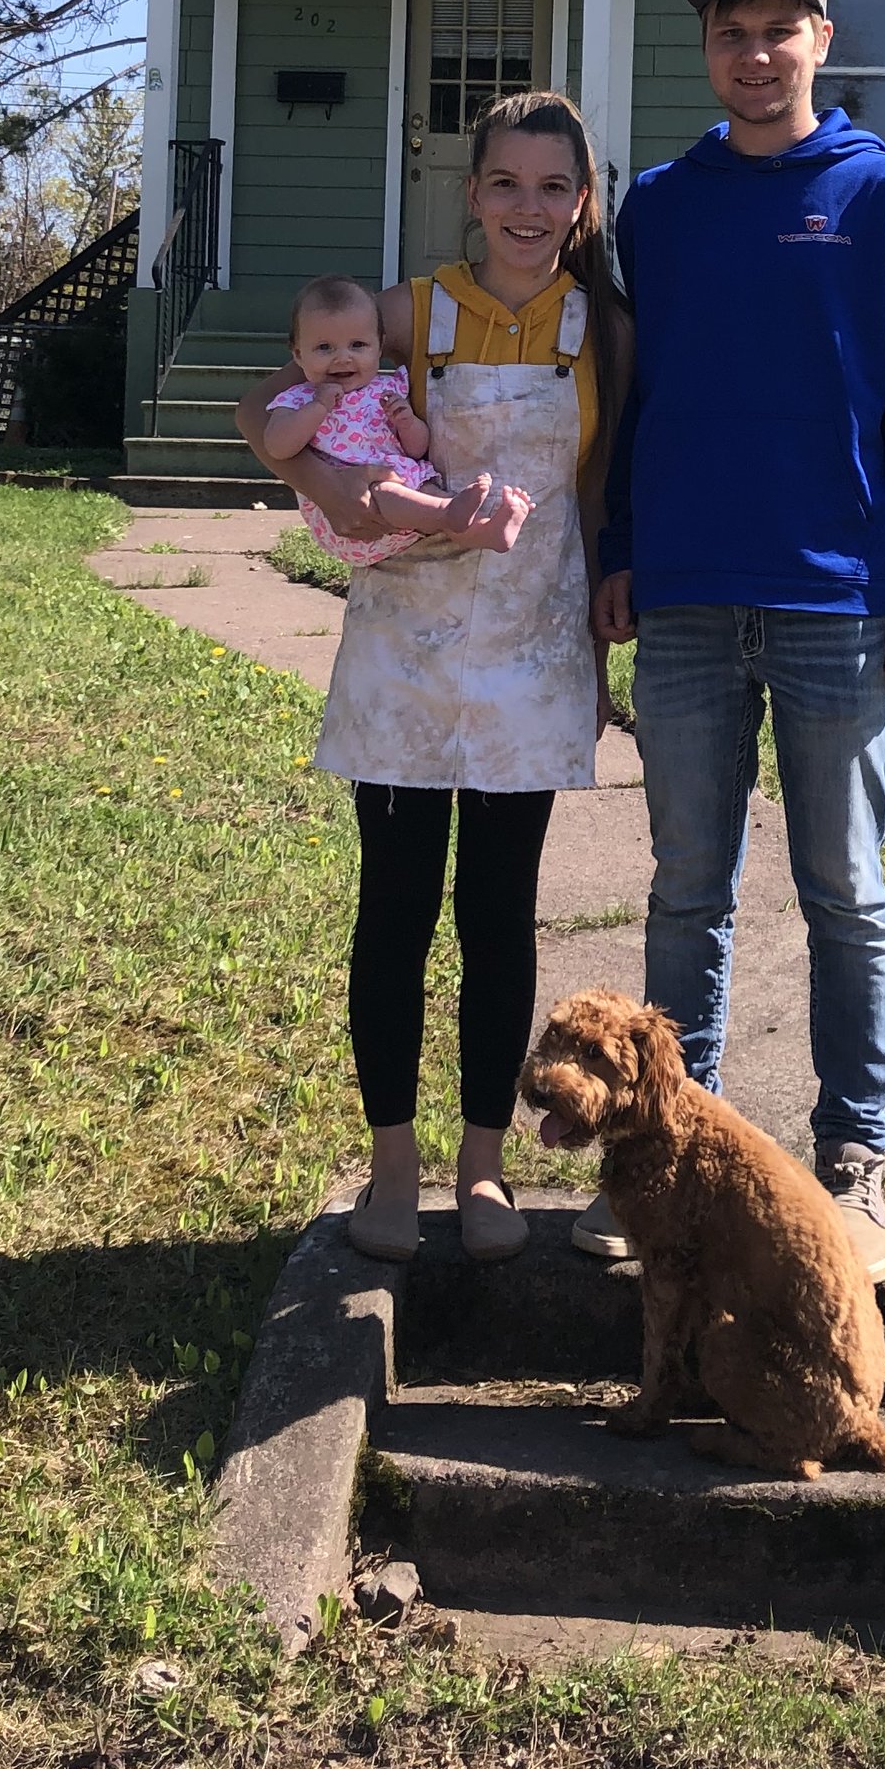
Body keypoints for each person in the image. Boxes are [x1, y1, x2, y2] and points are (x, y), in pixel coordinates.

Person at [590, 0, 885, 1283]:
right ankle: (656, 1158)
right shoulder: (662, 205)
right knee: (688, 888)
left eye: (779, 30)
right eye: (730, 33)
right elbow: (635, 396)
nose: (755, 55)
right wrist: (621, 545)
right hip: (688, 595)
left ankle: (854, 1161)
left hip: (835, 603)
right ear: (706, 49)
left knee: (844, 892)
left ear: (822, 40)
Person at [237, 90, 626, 1267]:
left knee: (500, 914)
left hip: (533, 644)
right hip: (403, 645)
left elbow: (601, 484)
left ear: (581, 201)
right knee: (395, 910)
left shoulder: (602, 325)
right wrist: (326, 483)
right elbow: (271, 402)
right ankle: (391, 1162)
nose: (527, 207)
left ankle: (484, 1163)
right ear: (471, 194)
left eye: (552, 186)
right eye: (504, 182)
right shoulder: (411, 312)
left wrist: (605, 638)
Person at [258, 274, 530, 564]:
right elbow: (277, 446)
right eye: (325, 348)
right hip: (350, 512)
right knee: (389, 492)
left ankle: (487, 533)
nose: (343, 358)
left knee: (428, 492)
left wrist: (406, 422)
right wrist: (318, 407)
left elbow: (416, 449)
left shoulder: (388, 390)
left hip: (405, 491)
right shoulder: (297, 398)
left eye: (358, 345)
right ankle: (448, 511)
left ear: (380, 345)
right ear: (298, 354)